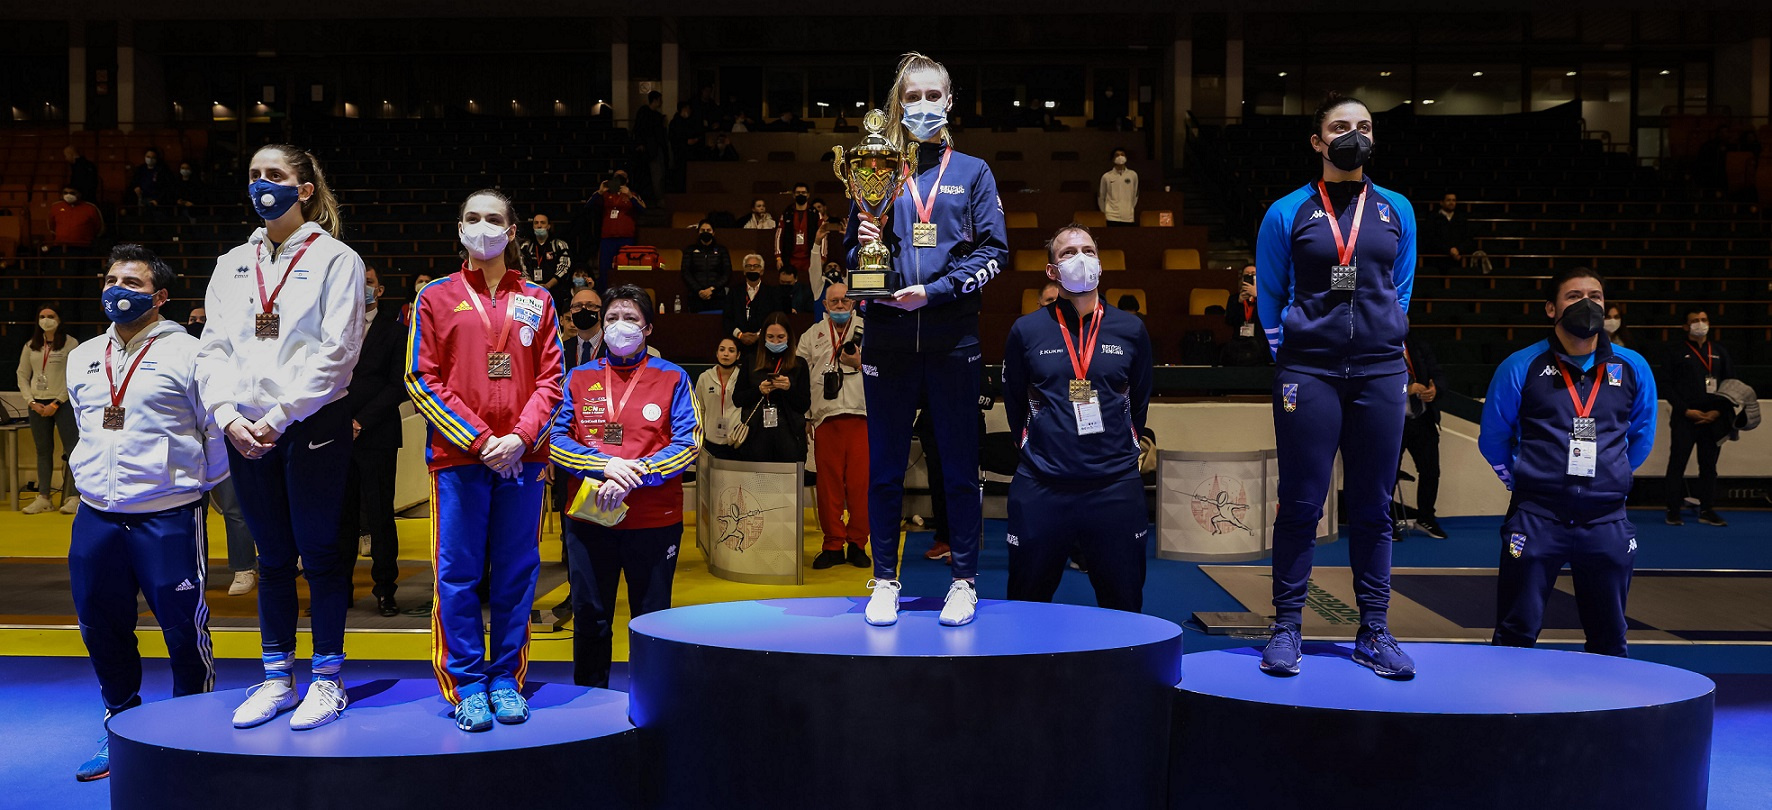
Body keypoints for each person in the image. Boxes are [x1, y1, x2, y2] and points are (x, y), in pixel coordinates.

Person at [197, 143, 365, 730]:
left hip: (309, 422)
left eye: (275, 174)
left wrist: (278, 416)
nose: (262, 184)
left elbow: (338, 353)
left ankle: (327, 679)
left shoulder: (336, 258)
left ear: (305, 190)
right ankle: (276, 679)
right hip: (245, 428)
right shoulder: (230, 263)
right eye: (254, 175)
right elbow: (212, 347)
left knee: (319, 555)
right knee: (270, 559)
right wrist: (226, 414)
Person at [1254, 94, 1417, 678]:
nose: (1355, 135)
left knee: (1373, 506)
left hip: (1380, 372)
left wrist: (1382, 336)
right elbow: (1270, 294)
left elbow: (1400, 289)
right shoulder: (1286, 212)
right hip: (1310, 373)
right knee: (1301, 502)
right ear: (1318, 141)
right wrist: (1297, 352)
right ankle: (1286, 627)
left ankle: (1374, 630)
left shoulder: (1397, 209)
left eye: (1365, 127)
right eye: (1341, 126)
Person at [845, 51, 1007, 628]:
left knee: (959, 467)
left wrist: (934, 292)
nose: (921, 105)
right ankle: (884, 580)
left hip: (951, 339)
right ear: (898, 104)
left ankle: (964, 581)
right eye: (911, 97)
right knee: (885, 469)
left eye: (931, 95)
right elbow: (851, 255)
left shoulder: (974, 173)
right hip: (888, 338)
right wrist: (864, 243)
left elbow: (994, 252)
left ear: (949, 101)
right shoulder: (878, 169)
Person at [66, 243, 227, 782]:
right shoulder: (84, 356)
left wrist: (190, 485)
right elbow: (86, 425)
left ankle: (192, 730)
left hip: (168, 516)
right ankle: (120, 722)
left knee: (183, 628)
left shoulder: (192, 353)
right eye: (112, 280)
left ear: (160, 297)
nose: (118, 290)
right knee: (99, 623)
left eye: (133, 283)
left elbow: (215, 430)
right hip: (96, 516)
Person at [406, 189, 564, 732]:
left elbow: (552, 381)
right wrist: (479, 441)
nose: (483, 226)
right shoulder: (434, 297)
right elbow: (420, 379)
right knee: (457, 574)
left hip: (523, 458)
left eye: (493, 218)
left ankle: (506, 679)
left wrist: (519, 438)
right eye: (472, 217)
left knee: (517, 573)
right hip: (459, 459)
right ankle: (467, 684)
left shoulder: (539, 299)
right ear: (460, 228)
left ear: (511, 231)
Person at [1479, 267, 1657, 657]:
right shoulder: (1520, 366)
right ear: (1551, 308)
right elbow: (1493, 438)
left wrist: (1611, 476)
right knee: (1515, 632)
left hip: (1606, 519)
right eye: (1574, 297)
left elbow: (1642, 435)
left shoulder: (1632, 367)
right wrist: (1521, 479)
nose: (1587, 304)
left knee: (1610, 637)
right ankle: (1506, 697)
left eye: (1595, 297)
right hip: (1537, 515)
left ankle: (1606, 698)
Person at [549, 284, 699, 689]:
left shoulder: (673, 378)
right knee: (590, 616)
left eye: (630, 318)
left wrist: (638, 473)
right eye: (612, 317)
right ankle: (589, 697)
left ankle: (652, 699)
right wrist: (605, 466)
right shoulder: (577, 378)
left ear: (648, 328)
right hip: (589, 518)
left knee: (652, 619)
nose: (620, 325)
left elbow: (688, 443)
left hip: (653, 521)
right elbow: (556, 439)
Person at [1003, 224, 1152, 611]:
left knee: (1124, 607)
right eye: (1068, 253)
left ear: (1100, 264)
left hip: (1114, 487)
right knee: (1026, 605)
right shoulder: (1026, 331)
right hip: (1043, 485)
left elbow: (1139, 400)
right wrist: (1030, 444)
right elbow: (1014, 400)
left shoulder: (1131, 329)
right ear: (1052, 270)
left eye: (1088, 250)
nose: (1080, 258)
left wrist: (1126, 443)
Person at [337, 267, 407, 616]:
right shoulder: (335, 329)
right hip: (337, 435)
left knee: (380, 516)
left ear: (379, 290)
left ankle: (385, 589)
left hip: (377, 434)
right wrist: (340, 423)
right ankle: (340, 589)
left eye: (368, 282)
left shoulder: (395, 331)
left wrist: (360, 421)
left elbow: (398, 385)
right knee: (341, 518)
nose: (362, 288)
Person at [189, 305, 261, 595]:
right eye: (193, 320)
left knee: (234, 508)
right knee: (192, 512)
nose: (197, 324)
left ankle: (244, 567)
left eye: (203, 320)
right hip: (190, 446)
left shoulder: (229, 356)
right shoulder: (180, 355)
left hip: (224, 441)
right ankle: (194, 572)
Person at [798, 284, 869, 569]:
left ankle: (858, 543)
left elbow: (888, 370)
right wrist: (806, 415)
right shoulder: (811, 335)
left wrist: (860, 362)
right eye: (834, 301)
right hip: (825, 419)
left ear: (853, 303)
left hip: (862, 416)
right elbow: (800, 377)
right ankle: (832, 544)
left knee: (860, 486)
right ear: (825, 305)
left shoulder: (869, 330)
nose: (840, 305)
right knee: (828, 487)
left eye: (845, 300)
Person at [1662, 308, 1734, 527]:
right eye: (1695, 320)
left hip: (1713, 419)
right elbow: (1667, 385)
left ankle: (1707, 509)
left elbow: (1731, 384)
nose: (1700, 323)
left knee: (1709, 466)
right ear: (1686, 326)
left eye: (1704, 319)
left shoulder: (1719, 352)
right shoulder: (1675, 352)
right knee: (1677, 464)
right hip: (1685, 417)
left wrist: (1718, 412)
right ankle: (1673, 510)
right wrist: (1685, 410)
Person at [18, 304, 79, 514]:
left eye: (51, 316)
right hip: (37, 404)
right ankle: (44, 497)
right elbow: (22, 374)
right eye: (42, 316)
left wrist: (57, 402)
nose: (46, 320)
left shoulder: (71, 344)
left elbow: (73, 376)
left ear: (59, 319)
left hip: (63, 403)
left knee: (72, 450)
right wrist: (31, 401)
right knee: (43, 450)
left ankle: (74, 496)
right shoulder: (31, 345)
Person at [734, 313, 811, 464]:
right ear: (763, 338)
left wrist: (789, 389)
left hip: (790, 436)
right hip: (756, 436)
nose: (775, 341)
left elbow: (804, 405)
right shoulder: (751, 361)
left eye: (780, 337)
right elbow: (737, 399)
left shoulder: (799, 364)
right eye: (770, 337)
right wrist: (759, 390)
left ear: (789, 337)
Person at [1400, 332, 1449, 539]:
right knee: (1387, 474)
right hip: (1393, 422)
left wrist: (1435, 389)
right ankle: (1383, 522)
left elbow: (1438, 374)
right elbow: (1373, 384)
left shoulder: (1418, 344)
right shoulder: (1377, 346)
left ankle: (1426, 518)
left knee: (1430, 472)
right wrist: (1406, 389)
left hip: (1422, 419)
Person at [723, 253, 783, 358]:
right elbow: (727, 318)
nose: (752, 268)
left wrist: (758, 335)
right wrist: (740, 335)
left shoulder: (772, 293)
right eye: (748, 266)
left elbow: (775, 318)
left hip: (764, 344)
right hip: (738, 343)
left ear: (762, 271)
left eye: (756, 266)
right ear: (744, 271)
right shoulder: (734, 292)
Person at [695, 337, 745, 460]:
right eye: (722, 350)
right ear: (717, 353)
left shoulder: (743, 377)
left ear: (738, 355)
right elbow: (700, 409)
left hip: (737, 440)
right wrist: (700, 436)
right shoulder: (705, 377)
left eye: (731, 350)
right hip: (711, 440)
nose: (726, 354)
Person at [593, 171, 644, 290]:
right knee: (605, 270)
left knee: (626, 268)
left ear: (627, 180)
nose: (619, 178)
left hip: (626, 239)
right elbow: (588, 207)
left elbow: (643, 210)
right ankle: (604, 295)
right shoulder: (605, 195)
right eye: (616, 176)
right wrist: (600, 192)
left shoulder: (633, 195)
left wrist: (630, 196)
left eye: (622, 176)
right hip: (608, 239)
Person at [519, 213, 574, 302]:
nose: (539, 226)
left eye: (542, 223)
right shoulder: (526, 246)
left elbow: (564, 267)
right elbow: (521, 267)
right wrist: (534, 286)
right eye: (536, 223)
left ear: (548, 226)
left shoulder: (559, 245)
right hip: (531, 293)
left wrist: (548, 286)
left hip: (556, 292)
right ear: (533, 226)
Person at [681, 220, 732, 313]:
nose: (705, 232)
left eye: (708, 230)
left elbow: (727, 273)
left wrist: (712, 289)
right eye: (702, 230)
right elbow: (686, 272)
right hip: (696, 296)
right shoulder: (690, 250)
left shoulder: (722, 250)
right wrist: (699, 290)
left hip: (717, 296)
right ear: (698, 232)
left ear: (713, 232)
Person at [1222, 264, 1268, 367]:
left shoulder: (1266, 298)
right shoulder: (1234, 299)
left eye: (1253, 275)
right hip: (1239, 344)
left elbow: (1269, 317)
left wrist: (1258, 296)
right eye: (1247, 275)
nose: (1250, 277)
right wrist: (1238, 303)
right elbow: (1229, 321)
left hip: (1260, 343)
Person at [775, 182, 823, 275]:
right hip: (790, 257)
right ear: (793, 195)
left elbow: (823, 236)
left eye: (803, 193)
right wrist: (778, 257)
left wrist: (823, 257)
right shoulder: (787, 213)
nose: (801, 195)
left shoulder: (815, 213)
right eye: (798, 193)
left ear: (808, 195)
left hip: (810, 257)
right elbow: (778, 236)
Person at [1418, 193, 1472, 274]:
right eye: (1448, 200)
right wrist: (1448, 250)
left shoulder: (1461, 219)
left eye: (1453, 200)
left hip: (1457, 259)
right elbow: (1430, 239)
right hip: (1437, 259)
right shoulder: (1433, 218)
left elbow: (1468, 237)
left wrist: (1458, 249)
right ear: (1441, 202)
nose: (1451, 203)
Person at [631, 91, 668, 202]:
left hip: (652, 148)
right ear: (655, 100)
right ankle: (658, 198)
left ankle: (655, 198)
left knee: (657, 174)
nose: (661, 102)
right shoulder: (649, 114)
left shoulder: (651, 114)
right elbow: (640, 129)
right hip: (650, 148)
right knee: (656, 174)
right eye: (660, 100)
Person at [47, 187, 106, 252]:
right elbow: (51, 226)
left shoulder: (90, 208)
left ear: (79, 194)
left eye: (72, 193)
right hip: (61, 246)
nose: (68, 195)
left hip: (84, 247)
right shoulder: (55, 207)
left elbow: (99, 227)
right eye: (65, 193)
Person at [563, 287, 605, 367]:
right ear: (571, 313)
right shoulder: (562, 349)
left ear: (601, 312)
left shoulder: (614, 348)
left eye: (590, 305)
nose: (583, 309)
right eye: (577, 306)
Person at [1098, 148, 1138, 227]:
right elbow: (1101, 196)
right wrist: (1105, 212)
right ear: (1113, 159)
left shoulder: (1133, 175)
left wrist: (1129, 208)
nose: (1120, 157)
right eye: (1117, 155)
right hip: (1111, 216)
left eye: (1122, 155)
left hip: (1128, 217)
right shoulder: (1106, 176)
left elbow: (1135, 195)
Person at [129, 149, 171, 218]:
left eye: (153, 157)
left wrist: (157, 200)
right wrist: (136, 187)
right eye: (148, 157)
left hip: (156, 200)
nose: (150, 159)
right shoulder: (140, 169)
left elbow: (166, 187)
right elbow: (134, 182)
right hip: (142, 198)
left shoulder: (162, 170)